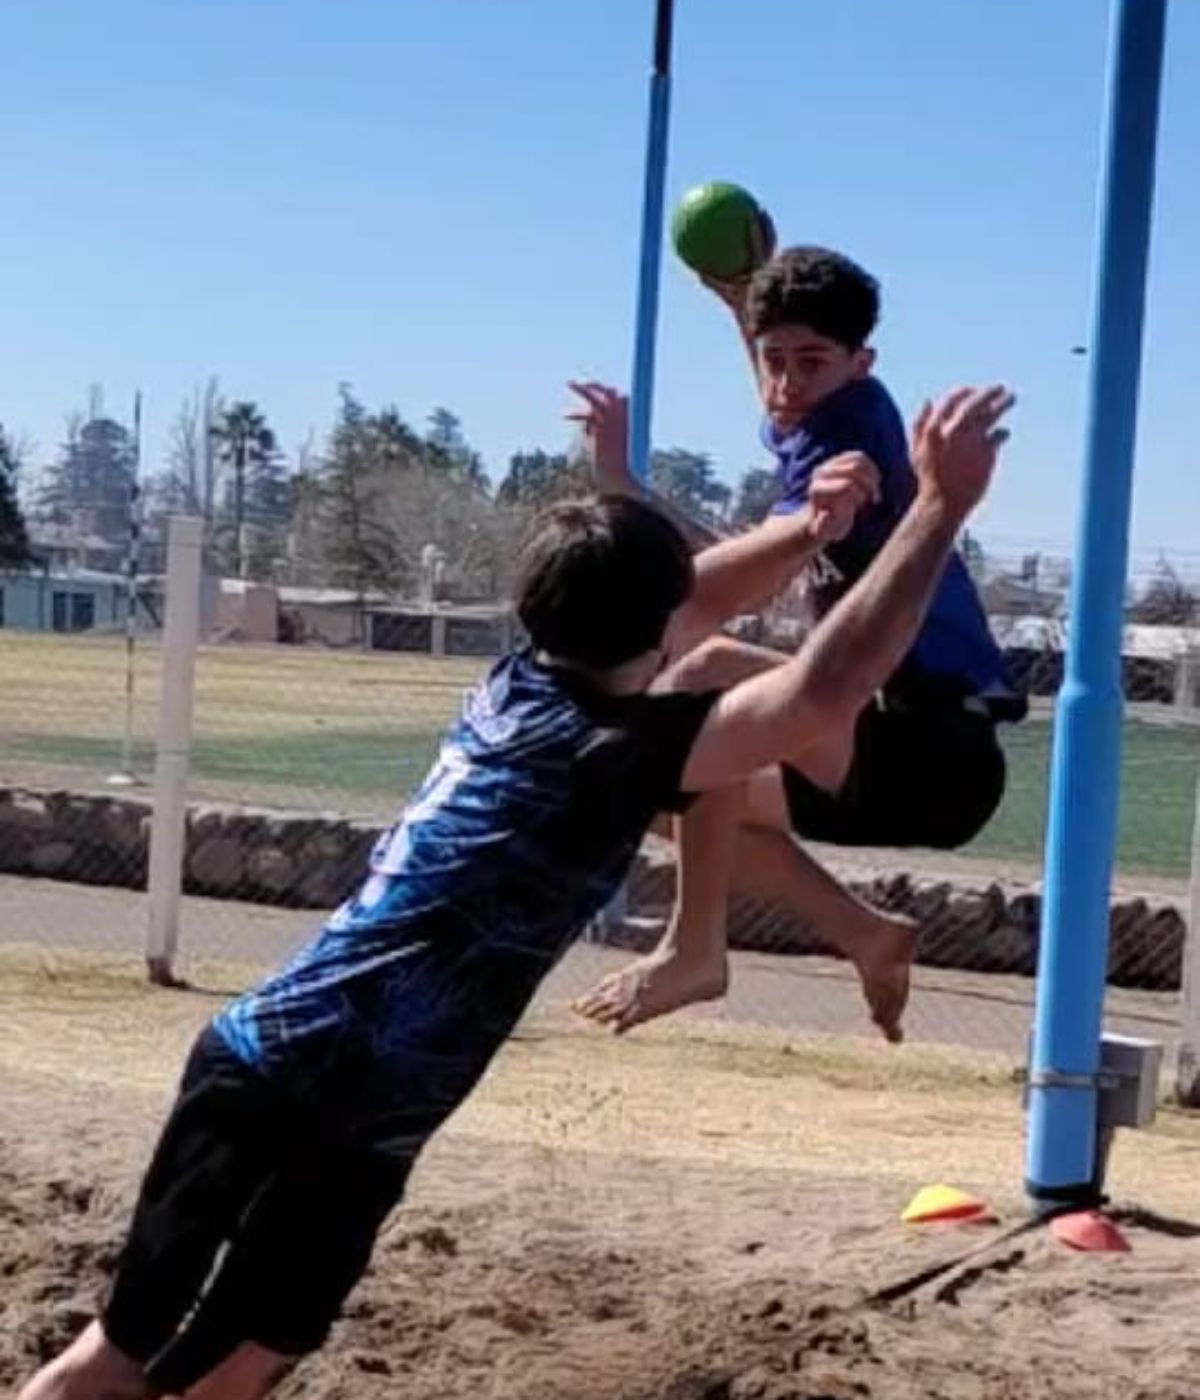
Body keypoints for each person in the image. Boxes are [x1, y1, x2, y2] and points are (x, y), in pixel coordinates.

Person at [18, 383, 1010, 1400]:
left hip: (295, 1080)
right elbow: (825, 687)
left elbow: (698, 599)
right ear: (656, 624)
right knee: (156, 1358)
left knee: (232, 1362)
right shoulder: (614, 749)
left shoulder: (518, 683)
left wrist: (812, 525)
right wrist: (937, 507)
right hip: (303, 1080)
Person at [572, 246, 1025, 1035]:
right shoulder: (824, 411)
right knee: (650, 784)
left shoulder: (846, 435)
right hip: (886, 754)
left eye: (810, 362)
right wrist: (738, 301)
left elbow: (716, 586)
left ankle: (694, 948)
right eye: (770, 359)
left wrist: (621, 487)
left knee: (704, 677)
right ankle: (865, 931)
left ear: (863, 362)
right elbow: (736, 554)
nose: (784, 383)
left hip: (930, 748)